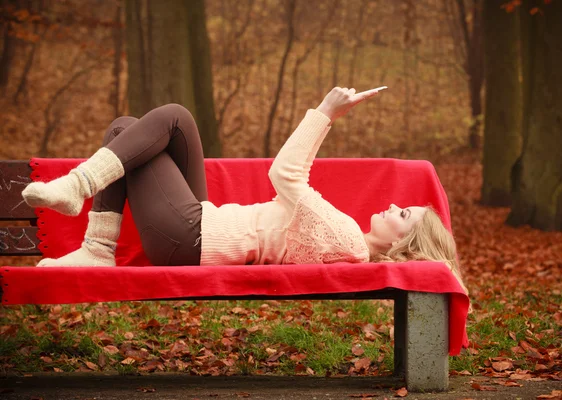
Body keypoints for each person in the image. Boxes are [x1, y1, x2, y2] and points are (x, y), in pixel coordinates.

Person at [21, 87, 466, 291]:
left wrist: (326, 112)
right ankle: (98, 248)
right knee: (130, 128)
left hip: (191, 237)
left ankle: (80, 187)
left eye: (403, 215)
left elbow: (285, 175)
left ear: (403, 247)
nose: (392, 205)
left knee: (173, 113)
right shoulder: (349, 242)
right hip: (200, 226)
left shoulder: (348, 239)